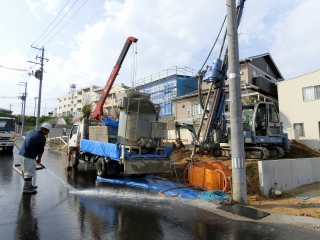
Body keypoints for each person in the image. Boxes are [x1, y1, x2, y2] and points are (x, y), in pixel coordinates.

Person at [19, 123, 52, 194]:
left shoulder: (33, 131)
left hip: (23, 153)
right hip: (29, 156)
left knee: (28, 170)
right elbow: (40, 151)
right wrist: (39, 159)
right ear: (43, 129)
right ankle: (26, 189)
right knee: (28, 172)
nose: (48, 132)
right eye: (47, 131)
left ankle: (29, 186)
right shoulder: (41, 138)